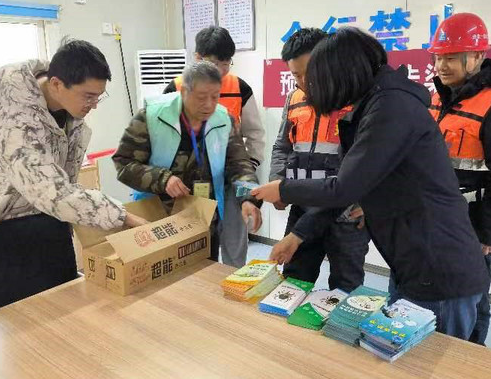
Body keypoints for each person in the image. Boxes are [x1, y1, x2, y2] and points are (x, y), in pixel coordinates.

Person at [252, 27, 489, 340]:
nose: (310, 86)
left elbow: (344, 187)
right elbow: (353, 187)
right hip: (414, 261)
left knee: (432, 358)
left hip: (439, 269)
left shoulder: (391, 108)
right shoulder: (376, 105)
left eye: (316, 76)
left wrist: (282, 189)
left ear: (341, 72)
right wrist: (298, 235)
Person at [0, 40, 148, 318]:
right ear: (57, 84)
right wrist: (122, 216)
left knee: (66, 320)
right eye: (88, 96)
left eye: (99, 97)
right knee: (9, 332)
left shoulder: (71, 114)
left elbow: (65, 184)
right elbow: (52, 192)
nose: (94, 105)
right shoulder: (12, 117)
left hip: (47, 228)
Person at [427, 13, 491, 345]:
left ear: (478, 57)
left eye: (451, 57)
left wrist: (489, 232)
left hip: (471, 224)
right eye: (438, 57)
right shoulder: (435, 98)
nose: (442, 65)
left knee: (470, 297)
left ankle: (472, 355)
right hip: (433, 217)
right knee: (440, 295)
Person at [113, 61, 262, 262]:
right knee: (166, 273)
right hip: (160, 218)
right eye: (201, 97)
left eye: (215, 96)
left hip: (204, 217)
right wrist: (163, 179)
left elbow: (239, 164)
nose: (209, 105)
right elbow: (124, 163)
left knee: (204, 272)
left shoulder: (223, 119)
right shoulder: (152, 116)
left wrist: (248, 198)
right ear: (184, 91)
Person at [269, 27, 369, 292]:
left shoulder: (356, 102)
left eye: (309, 72)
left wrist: (368, 201)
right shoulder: (294, 98)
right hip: (303, 205)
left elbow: (372, 163)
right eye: (296, 75)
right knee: (293, 282)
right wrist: (278, 182)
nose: (304, 81)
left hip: (346, 214)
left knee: (345, 288)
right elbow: (282, 146)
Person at [164, 26, 265, 267]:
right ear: (197, 58)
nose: (219, 70)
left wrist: (249, 167)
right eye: (213, 63)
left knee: (234, 241)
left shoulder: (240, 87)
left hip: (231, 179)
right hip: (192, 183)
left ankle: (233, 282)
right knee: (196, 244)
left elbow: (255, 133)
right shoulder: (175, 88)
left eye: (226, 63)